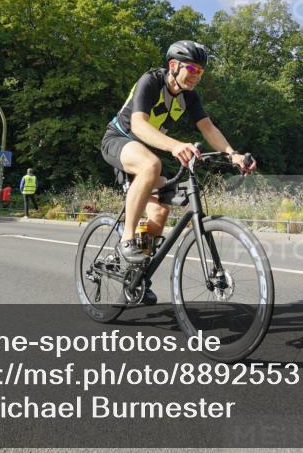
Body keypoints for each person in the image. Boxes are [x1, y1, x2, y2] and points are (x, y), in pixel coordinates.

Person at [101, 40, 256, 303]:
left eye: (200, 72)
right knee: (151, 165)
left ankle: (138, 277)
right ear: (173, 65)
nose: (196, 76)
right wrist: (175, 146)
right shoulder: (151, 81)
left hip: (148, 148)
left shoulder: (189, 96)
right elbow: (138, 125)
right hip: (119, 140)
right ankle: (127, 240)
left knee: (160, 211)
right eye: (192, 69)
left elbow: (208, 128)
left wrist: (233, 154)